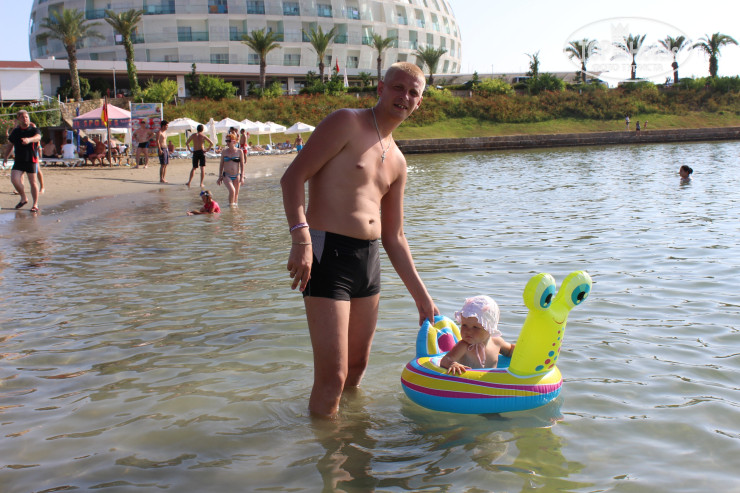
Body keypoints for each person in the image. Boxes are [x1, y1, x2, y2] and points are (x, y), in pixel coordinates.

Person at [280, 61, 438, 418]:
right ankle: (325, 451)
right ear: (381, 89)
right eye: (398, 87)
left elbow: (395, 235)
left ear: (419, 103)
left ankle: (350, 439)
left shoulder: (398, 160)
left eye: (413, 93)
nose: (405, 96)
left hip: (368, 260)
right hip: (326, 252)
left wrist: (421, 296)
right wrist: (301, 238)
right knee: (332, 377)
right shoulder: (346, 122)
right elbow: (293, 178)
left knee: (356, 369)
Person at [439, 296, 515, 375]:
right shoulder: (464, 346)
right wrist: (453, 364)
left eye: (475, 327)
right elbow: (446, 360)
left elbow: (510, 351)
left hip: (490, 380)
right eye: (464, 325)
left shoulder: (497, 342)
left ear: (489, 327)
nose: (468, 331)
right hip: (468, 381)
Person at [2, 110, 42, 212]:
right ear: (19, 119)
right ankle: (23, 197)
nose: (25, 119)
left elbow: (38, 137)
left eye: (27, 117)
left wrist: (29, 140)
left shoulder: (33, 130)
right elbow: (10, 144)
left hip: (31, 159)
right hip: (19, 160)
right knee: (14, 179)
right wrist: (6, 157)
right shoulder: (16, 131)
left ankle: (35, 204)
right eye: (23, 117)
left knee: (33, 182)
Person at [216, 136, 244, 206]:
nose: (227, 143)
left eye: (229, 141)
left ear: (234, 141)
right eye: (226, 141)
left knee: (236, 194)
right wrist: (220, 176)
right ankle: (231, 207)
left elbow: (242, 165)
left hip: (237, 175)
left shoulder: (239, 151)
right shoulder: (224, 151)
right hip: (227, 175)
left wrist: (242, 177)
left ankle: (234, 210)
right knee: (232, 191)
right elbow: (221, 164)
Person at [186, 124, 214, 188]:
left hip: (195, 152)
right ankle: (201, 183)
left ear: (197, 129)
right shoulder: (203, 135)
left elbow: (187, 143)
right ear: (202, 130)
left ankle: (189, 182)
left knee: (194, 168)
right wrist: (207, 149)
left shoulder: (193, 135)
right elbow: (211, 143)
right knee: (202, 168)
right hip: (201, 152)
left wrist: (190, 150)